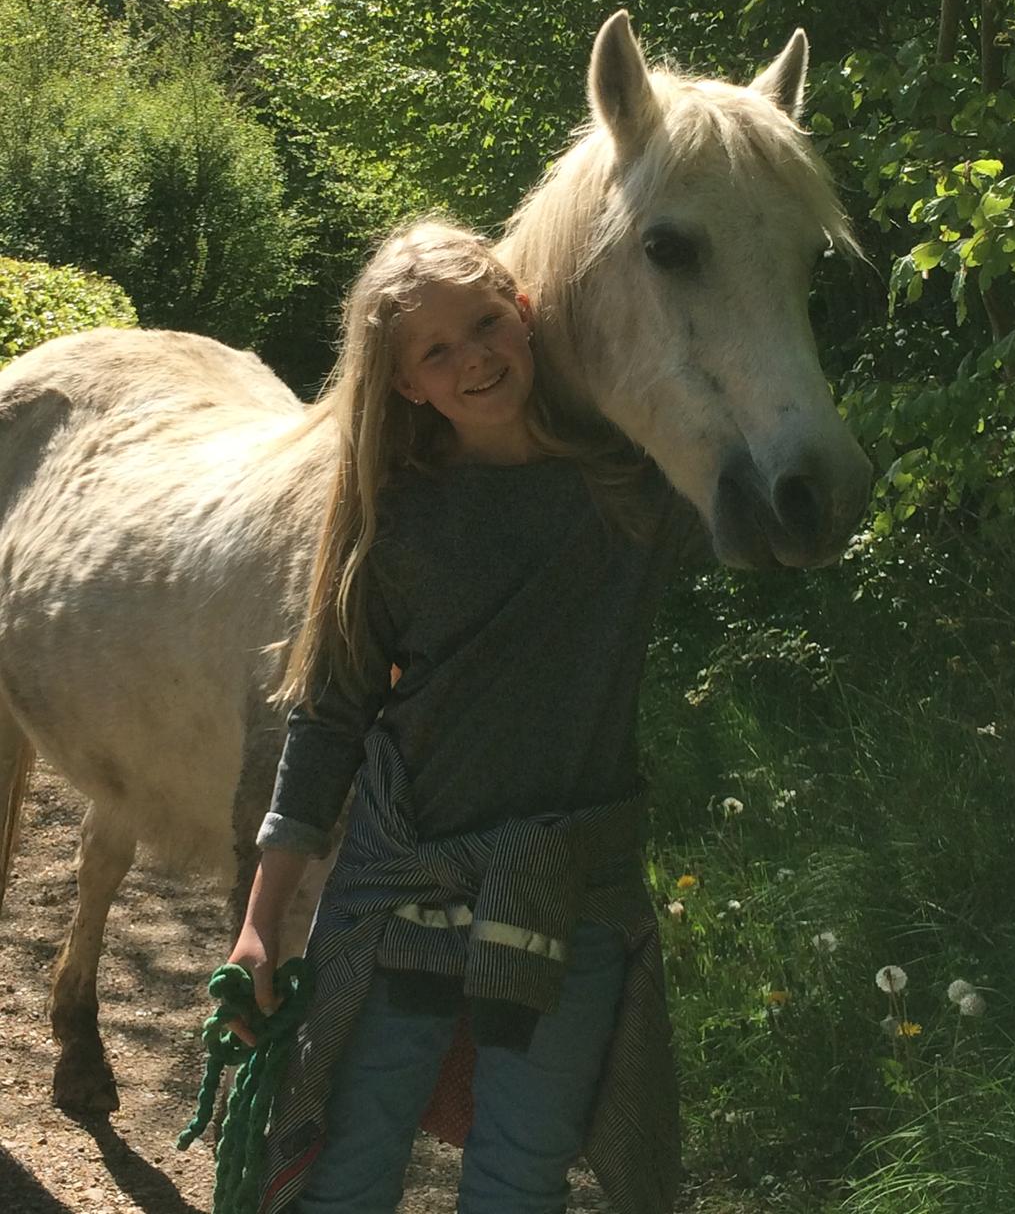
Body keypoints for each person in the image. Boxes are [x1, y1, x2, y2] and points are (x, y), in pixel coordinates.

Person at [228, 217, 695, 1214]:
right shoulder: (391, 517)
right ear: (405, 384)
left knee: (522, 1173)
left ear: (525, 314)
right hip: (402, 889)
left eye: (484, 323)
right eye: (436, 351)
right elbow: (329, 720)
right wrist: (264, 922)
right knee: (346, 1167)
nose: (472, 359)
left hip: (568, 887)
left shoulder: (631, 487)